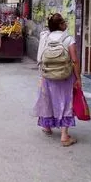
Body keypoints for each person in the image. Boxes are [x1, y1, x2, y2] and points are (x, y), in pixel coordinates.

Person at [34, 13, 80, 147]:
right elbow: (75, 60)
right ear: (60, 25)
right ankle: (64, 136)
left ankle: (47, 127)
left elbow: (40, 57)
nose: (66, 24)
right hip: (64, 77)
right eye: (64, 22)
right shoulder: (68, 39)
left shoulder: (45, 37)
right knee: (65, 102)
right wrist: (78, 78)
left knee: (47, 100)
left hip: (47, 76)